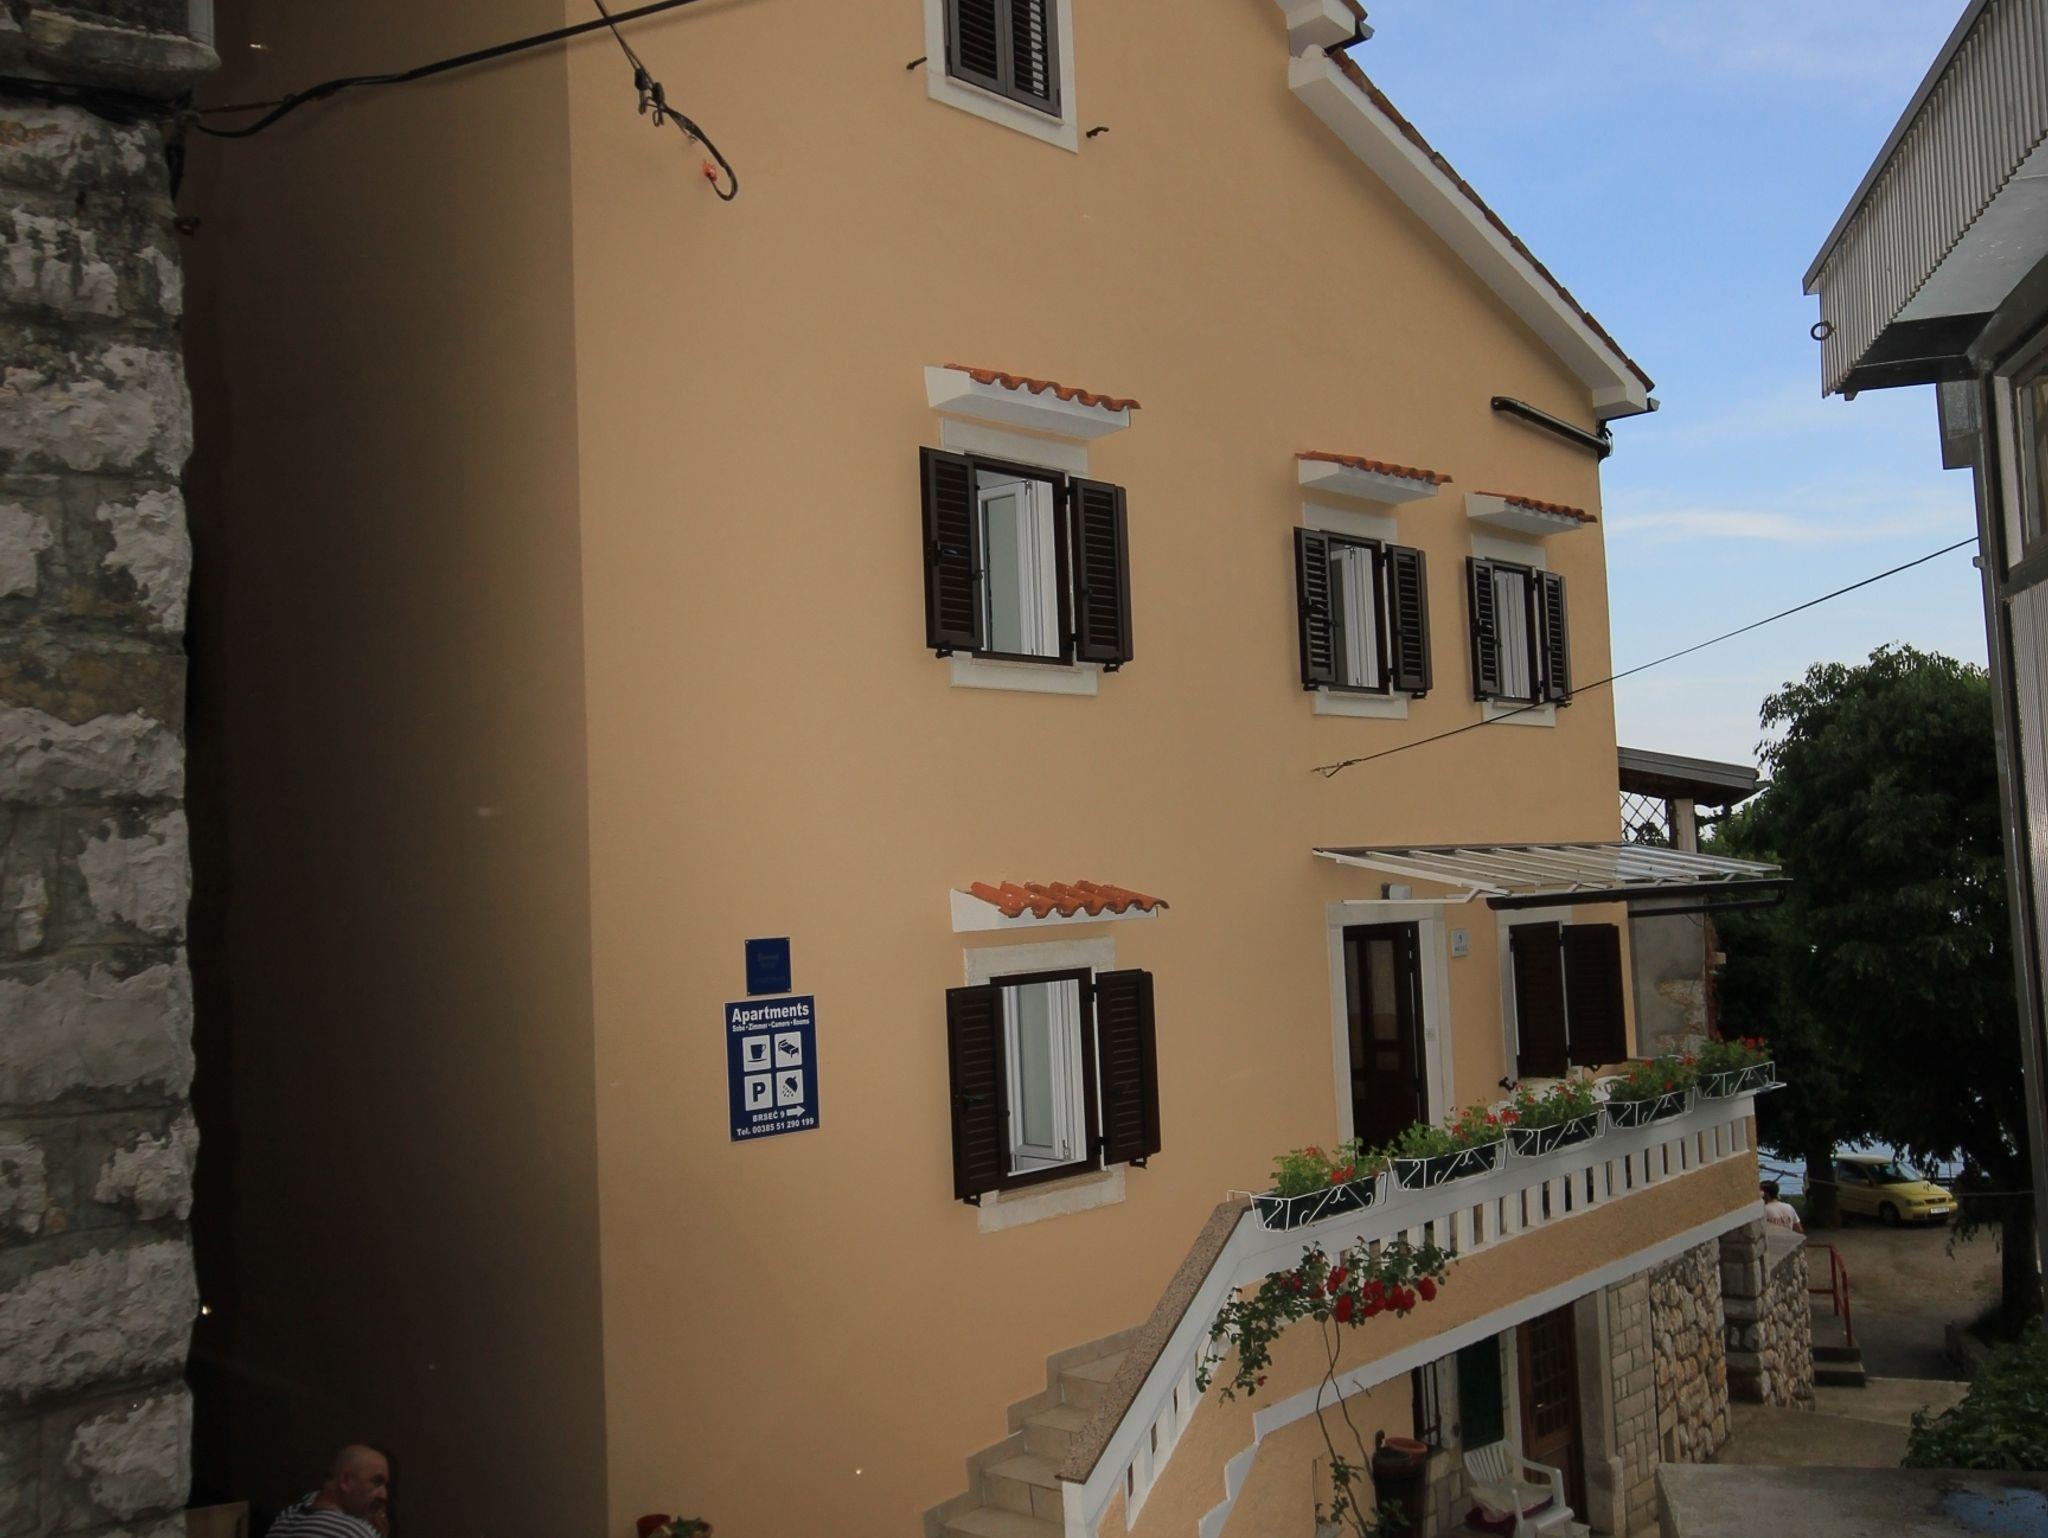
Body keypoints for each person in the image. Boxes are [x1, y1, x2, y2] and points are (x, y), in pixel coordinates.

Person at [270, 1445, 391, 1537]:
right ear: (346, 1481)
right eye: (376, 1482)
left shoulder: (288, 1516)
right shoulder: (350, 1531)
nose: (384, 1495)